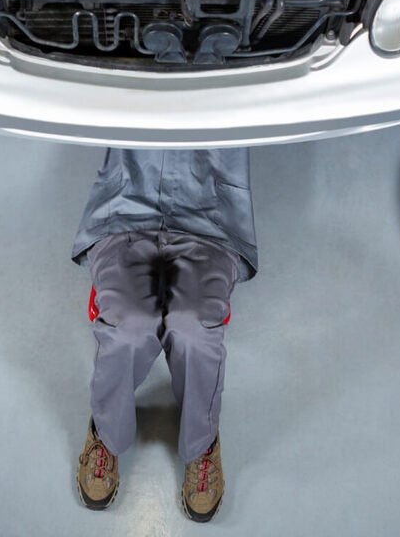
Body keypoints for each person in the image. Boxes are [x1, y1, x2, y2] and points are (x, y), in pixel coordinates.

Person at [71, 149, 258, 522]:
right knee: (128, 327)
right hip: (123, 215)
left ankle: (202, 443)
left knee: (195, 330)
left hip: (210, 221)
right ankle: (107, 433)